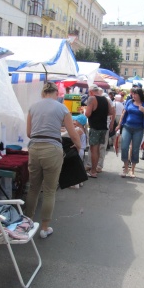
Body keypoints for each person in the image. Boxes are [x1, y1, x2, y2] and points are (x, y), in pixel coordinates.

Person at [25, 82, 81, 239]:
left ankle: (27, 223)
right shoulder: (62, 108)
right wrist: (78, 146)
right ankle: (44, 227)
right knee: (49, 190)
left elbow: (29, 132)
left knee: (33, 188)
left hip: (35, 148)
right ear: (56, 93)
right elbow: (73, 133)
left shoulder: (33, 107)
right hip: (52, 149)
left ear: (43, 93)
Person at [116, 88, 144, 178]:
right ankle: (126, 168)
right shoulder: (129, 102)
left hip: (138, 129)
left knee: (135, 149)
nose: (133, 96)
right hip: (127, 127)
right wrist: (119, 124)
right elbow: (124, 113)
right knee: (124, 147)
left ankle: (132, 170)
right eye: (133, 94)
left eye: (135, 94)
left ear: (140, 95)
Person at [84, 84, 113, 178]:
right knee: (98, 149)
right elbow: (111, 112)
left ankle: (93, 171)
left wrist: (87, 111)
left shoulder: (91, 99)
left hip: (95, 127)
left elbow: (88, 114)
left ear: (91, 92)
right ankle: (95, 169)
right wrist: (102, 114)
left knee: (94, 150)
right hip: (103, 127)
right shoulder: (105, 99)